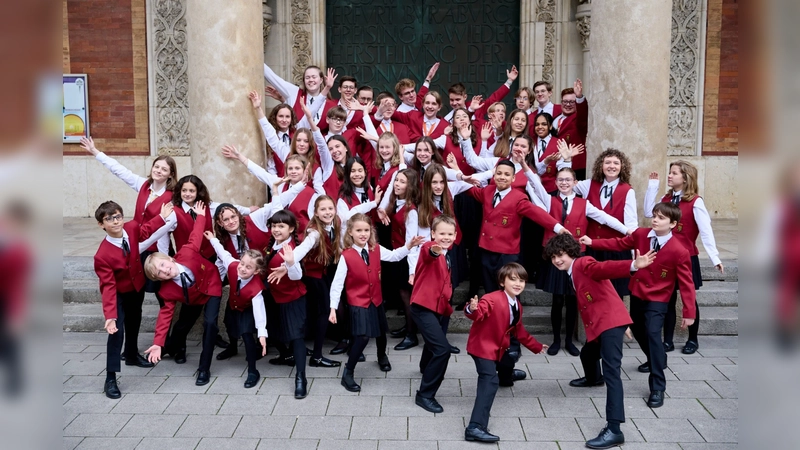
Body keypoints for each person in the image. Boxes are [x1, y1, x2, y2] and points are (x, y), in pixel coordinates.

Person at [580, 202, 696, 409]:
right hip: (637, 293)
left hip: (659, 299)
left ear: (673, 224)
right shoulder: (642, 234)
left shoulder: (680, 250)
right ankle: (656, 357)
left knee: (652, 334)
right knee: (640, 332)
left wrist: (689, 311)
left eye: (661, 218)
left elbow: (687, 282)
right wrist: (593, 243)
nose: (655, 220)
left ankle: (657, 387)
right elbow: (619, 243)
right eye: (654, 216)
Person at [544, 234, 655, 450]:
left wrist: (633, 264)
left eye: (561, 255)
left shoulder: (583, 263)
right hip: (601, 324)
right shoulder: (571, 271)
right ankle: (594, 379)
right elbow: (606, 291)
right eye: (553, 257)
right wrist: (623, 318)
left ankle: (614, 429)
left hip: (609, 324)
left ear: (572, 252)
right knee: (587, 354)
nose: (557, 260)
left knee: (612, 373)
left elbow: (604, 268)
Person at [524, 166, 630, 356]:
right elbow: (535, 184)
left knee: (573, 299)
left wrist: (628, 231)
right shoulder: (549, 200)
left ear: (575, 183)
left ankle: (569, 341)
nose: (564, 183)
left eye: (568, 180)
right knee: (557, 300)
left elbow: (604, 218)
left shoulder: (584, 203)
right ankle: (556, 340)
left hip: (575, 257)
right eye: (560, 180)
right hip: (556, 257)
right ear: (555, 183)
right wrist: (525, 166)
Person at [329, 213, 424, 392]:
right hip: (358, 302)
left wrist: (408, 246)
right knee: (363, 336)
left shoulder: (376, 249)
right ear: (350, 232)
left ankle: (381, 356)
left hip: (376, 299)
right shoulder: (346, 256)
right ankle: (348, 371)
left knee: (381, 331)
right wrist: (333, 307)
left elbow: (395, 256)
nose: (363, 234)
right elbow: (337, 284)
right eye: (358, 230)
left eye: (366, 230)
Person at [94, 200, 174, 398]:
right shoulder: (102, 255)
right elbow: (108, 287)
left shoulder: (131, 227)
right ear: (101, 224)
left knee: (135, 320)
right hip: (118, 293)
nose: (115, 222)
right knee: (116, 332)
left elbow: (145, 230)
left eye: (118, 216)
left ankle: (131, 355)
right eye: (109, 219)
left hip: (136, 286)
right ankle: (110, 378)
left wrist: (162, 218)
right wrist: (110, 315)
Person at [644, 161, 724, 354]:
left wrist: (715, 257)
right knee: (669, 299)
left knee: (690, 299)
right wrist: (652, 187)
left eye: (674, 173)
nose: (669, 176)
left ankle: (693, 339)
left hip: (687, 257)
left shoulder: (696, 201)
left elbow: (706, 231)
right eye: (670, 173)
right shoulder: (667, 198)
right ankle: (668, 341)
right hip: (666, 257)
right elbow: (648, 212)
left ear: (685, 177)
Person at [463, 263, 547, 443]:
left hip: (500, 346)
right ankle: (475, 427)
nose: (518, 284)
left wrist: (536, 346)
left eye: (522, 280)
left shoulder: (516, 303)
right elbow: (479, 313)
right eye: (513, 279)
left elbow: (519, 330)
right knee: (489, 380)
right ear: (502, 282)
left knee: (508, 359)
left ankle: (506, 376)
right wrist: (472, 308)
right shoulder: (491, 298)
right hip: (482, 347)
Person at [143, 201, 223, 387]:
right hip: (192, 298)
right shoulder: (167, 290)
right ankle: (172, 348)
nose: (165, 271)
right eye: (159, 273)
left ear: (169, 258)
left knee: (210, 323)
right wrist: (157, 343)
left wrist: (201, 216)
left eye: (163, 265)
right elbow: (164, 316)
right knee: (181, 325)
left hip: (211, 287)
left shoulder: (186, 252)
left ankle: (204, 368)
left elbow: (195, 235)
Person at [464, 159, 567, 293]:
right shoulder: (487, 191)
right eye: (499, 173)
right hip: (486, 250)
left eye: (507, 175)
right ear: (494, 176)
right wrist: (458, 175)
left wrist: (559, 228)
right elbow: (467, 189)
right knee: (490, 291)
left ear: (513, 178)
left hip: (507, 253)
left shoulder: (519, 197)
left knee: (509, 292)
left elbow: (537, 214)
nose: (502, 177)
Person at [204, 232, 268, 388]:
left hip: (246, 309)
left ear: (256, 271)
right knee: (229, 325)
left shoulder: (257, 289)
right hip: (232, 304)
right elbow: (222, 252)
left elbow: (260, 311)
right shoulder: (233, 266)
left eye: (248, 267)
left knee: (247, 336)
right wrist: (213, 239)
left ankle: (253, 371)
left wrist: (262, 333)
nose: (243, 268)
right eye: (242, 263)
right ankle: (232, 348)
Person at [410, 215, 457, 413]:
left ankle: (424, 367)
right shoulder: (429, 248)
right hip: (422, 307)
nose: (445, 237)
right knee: (442, 350)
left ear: (455, 236)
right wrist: (433, 250)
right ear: (433, 234)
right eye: (441, 234)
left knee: (434, 343)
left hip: (439, 308)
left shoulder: (448, 253)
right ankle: (425, 395)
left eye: (449, 234)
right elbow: (429, 252)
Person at [291, 196, 344, 368]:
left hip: (324, 274)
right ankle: (317, 356)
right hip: (313, 277)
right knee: (323, 313)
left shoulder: (335, 224)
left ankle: (311, 351)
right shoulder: (314, 233)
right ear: (315, 213)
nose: (328, 212)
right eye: (323, 209)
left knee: (318, 312)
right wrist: (288, 262)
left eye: (330, 208)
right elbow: (302, 250)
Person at [262, 210, 309, 398]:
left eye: (281, 226)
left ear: (291, 229)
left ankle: (301, 377)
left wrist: (290, 263)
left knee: (296, 337)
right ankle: (285, 355)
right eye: (274, 225)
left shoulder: (292, 250)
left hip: (292, 299)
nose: (276, 229)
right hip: (273, 296)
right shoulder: (272, 244)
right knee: (272, 330)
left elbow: (297, 275)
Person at [552, 79, 588, 179]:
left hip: (575, 166)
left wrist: (579, 97)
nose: (568, 105)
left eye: (572, 102)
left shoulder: (578, 119)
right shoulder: (555, 118)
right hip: (556, 164)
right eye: (565, 101)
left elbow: (583, 114)